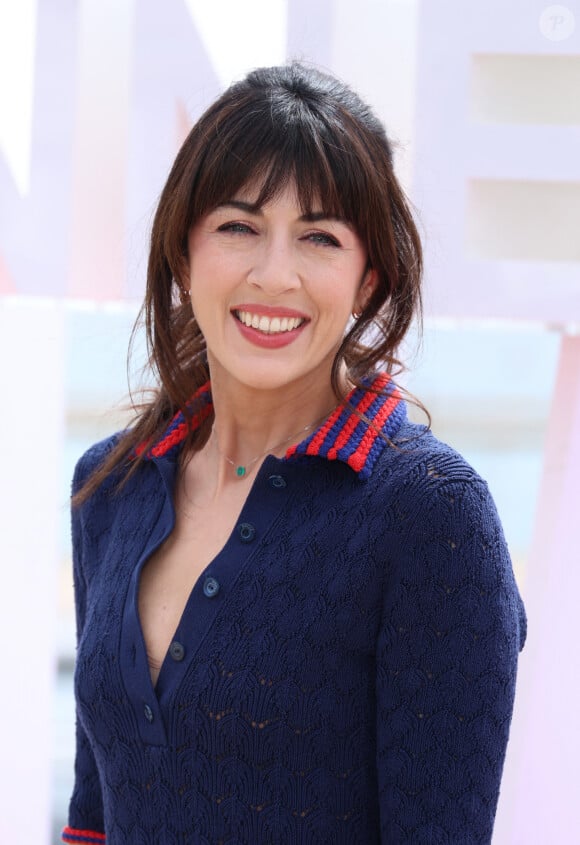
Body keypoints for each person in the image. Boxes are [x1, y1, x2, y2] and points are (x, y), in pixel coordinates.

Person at [62, 63, 526, 845]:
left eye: (319, 238)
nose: (275, 275)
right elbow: (93, 818)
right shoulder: (111, 487)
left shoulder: (430, 512)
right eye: (239, 225)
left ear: (368, 278)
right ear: (184, 252)